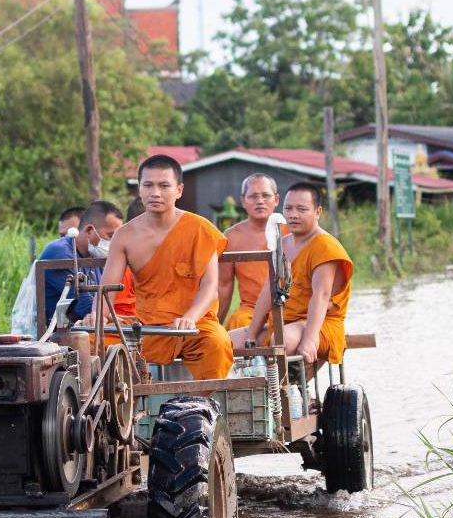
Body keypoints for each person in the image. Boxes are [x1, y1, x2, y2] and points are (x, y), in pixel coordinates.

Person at [97, 155, 233, 380]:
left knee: (218, 344)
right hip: (147, 328)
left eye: (164, 186)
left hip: (194, 325)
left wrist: (190, 317)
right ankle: (117, 410)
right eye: (148, 185)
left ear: (179, 190)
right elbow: (108, 288)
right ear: (139, 189)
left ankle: (197, 407)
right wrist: (97, 315)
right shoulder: (125, 235)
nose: (155, 193)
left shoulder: (200, 229)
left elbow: (210, 287)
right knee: (88, 344)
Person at [230, 182, 353, 367]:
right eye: (288, 208)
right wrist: (251, 335)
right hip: (282, 322)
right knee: (224, 341)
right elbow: (268, 291)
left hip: (320, 325)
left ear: (317, 212)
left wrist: (310, 340)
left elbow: (321, 296)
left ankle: (281, 392)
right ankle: (239, 392)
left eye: (302, 209)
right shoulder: (282, 244)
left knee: (282, 339)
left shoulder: (326, 246)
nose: (293, 215)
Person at [38, 201, 123, 324]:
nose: (114, 243)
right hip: (53, 335)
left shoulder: (95, 255)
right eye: (111, 236)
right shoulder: (60, 253)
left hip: (80, 329)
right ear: (89, 230)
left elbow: (102, 301)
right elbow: (85, 305)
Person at [218, 173, 283, 330]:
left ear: (276, 200)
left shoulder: (292, 232)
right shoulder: (231, 237)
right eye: (253, 196)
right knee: (238, 322)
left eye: (266, 196)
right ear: (243, 201)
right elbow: (224, 285)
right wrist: (215, 324)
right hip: (251, 310)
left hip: (289, 308)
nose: (260, 201)